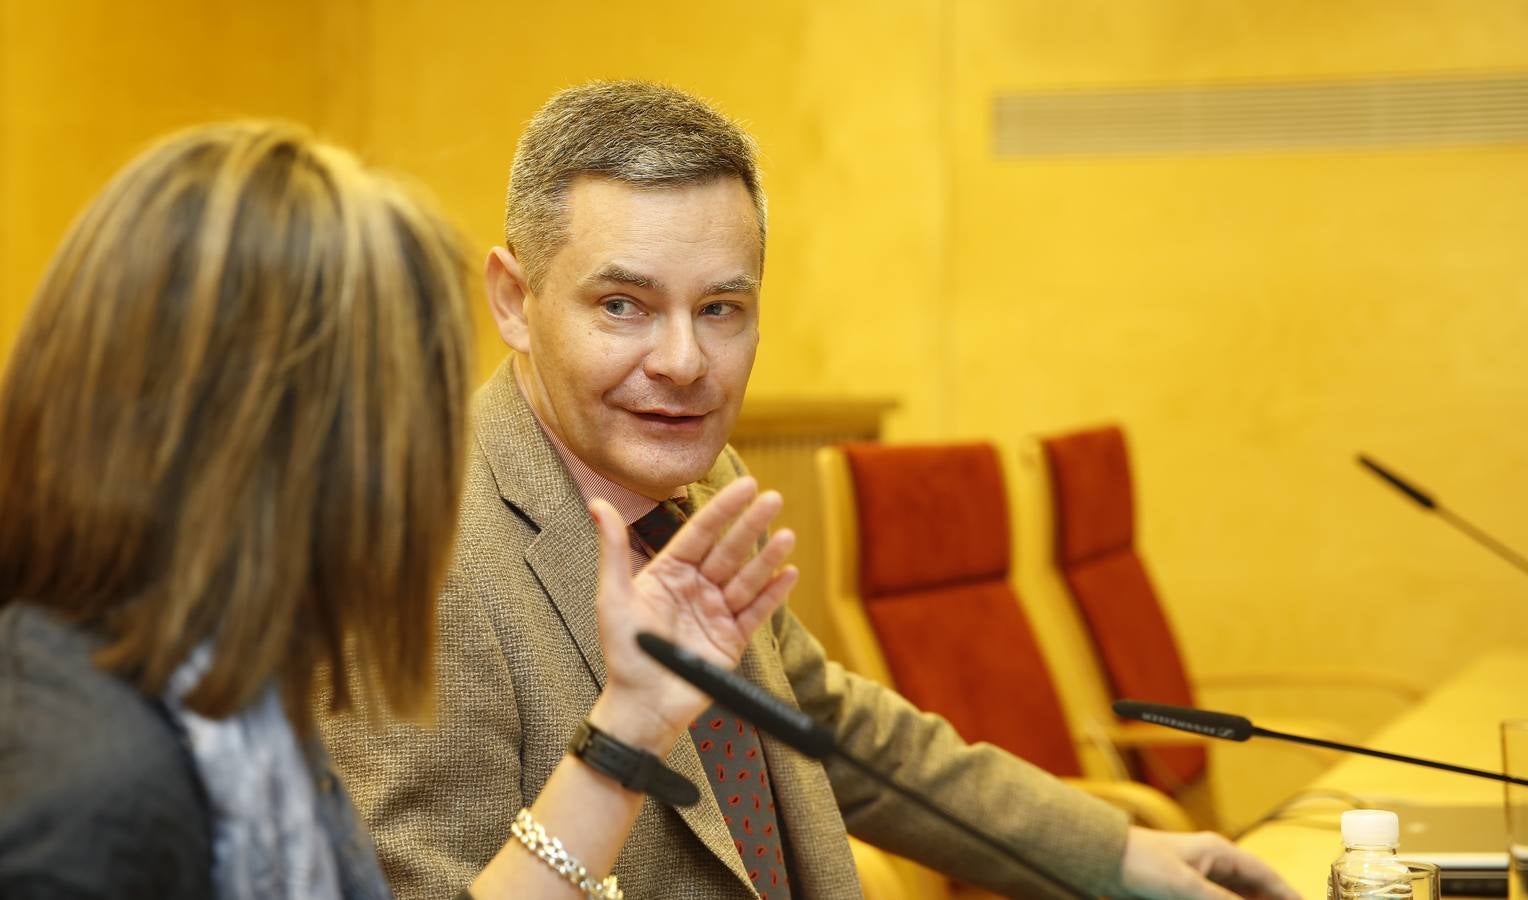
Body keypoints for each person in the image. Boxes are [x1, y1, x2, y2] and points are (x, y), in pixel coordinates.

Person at [319, 81, 1301, 900]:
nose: (682, 361)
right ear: (511, 301)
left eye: (722, 309)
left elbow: (828, 725)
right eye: (622, 305)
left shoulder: (701, 481)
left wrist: (1120, 856)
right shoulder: (417, 556)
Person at [0, 121, 797, 900]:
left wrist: (631, 723)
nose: (432, 454)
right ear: (240, 430)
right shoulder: (90, 782)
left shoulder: (222, 676)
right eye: (404, 401)